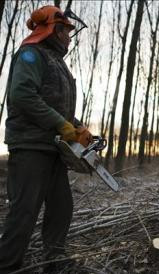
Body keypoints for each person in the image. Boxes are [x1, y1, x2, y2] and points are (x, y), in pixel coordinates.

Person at [0, 5, 91, 274]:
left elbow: (55, 103)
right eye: (66, 32)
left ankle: (54, 261)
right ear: (54, 29)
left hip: (53, 146)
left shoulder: (56, 62)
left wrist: (77, 127)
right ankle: (7, 264)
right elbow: (23, 96)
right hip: (30, 145)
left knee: (62, 206)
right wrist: (61, 124)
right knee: (25, 209)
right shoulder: (31, 54)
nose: (69, 37)